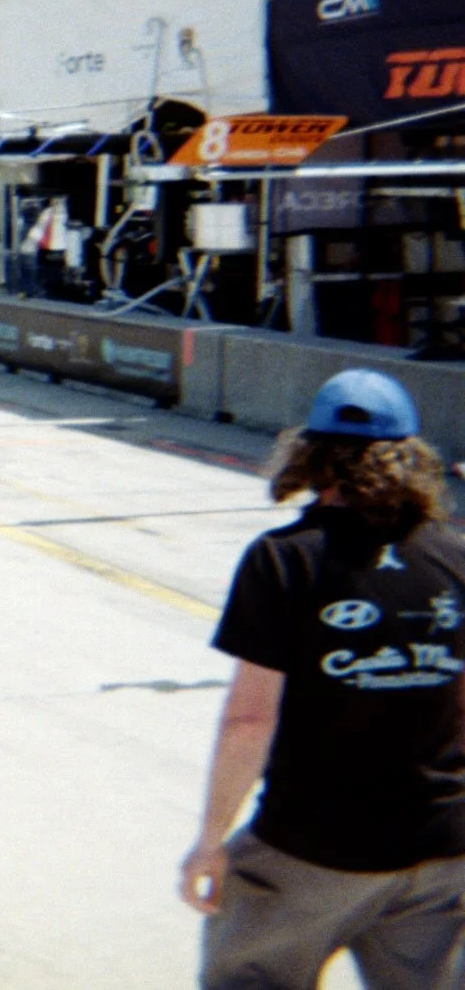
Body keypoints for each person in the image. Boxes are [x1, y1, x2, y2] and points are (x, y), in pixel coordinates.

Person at [181, 370, 465, 987]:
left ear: (309, 457)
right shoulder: (455, 556)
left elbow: (251, 718)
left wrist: (211, 840)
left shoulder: (284, 558)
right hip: (440, 848)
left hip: (311, 845)